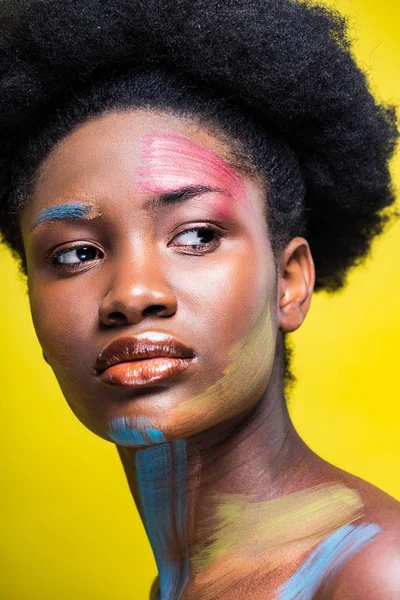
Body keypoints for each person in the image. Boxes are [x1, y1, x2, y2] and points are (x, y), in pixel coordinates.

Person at [0, 0, 399, 598]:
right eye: (76, 254)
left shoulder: (371, 574)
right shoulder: (184, 584)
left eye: (196, 236)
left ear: (289, 281)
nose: (133, 294)